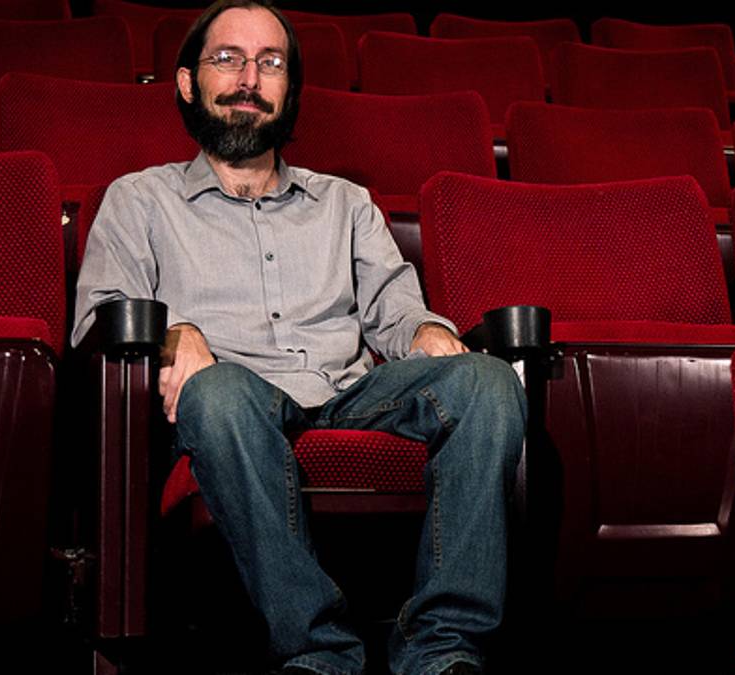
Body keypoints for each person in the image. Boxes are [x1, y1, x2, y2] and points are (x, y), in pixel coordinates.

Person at [71, 2, 526, 674]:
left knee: (487, 381)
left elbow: (395, 309)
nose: (249, 79)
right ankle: (320, 648)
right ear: (188, 83)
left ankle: (442, 646)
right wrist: (175, 332)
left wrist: (427, 330)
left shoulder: (345, 203)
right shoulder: (139, 200)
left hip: (349, 394)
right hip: (232, 403)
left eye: (271, 63)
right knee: (216, 393)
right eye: (228, 59)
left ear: (290, 89)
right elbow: (98, 319)